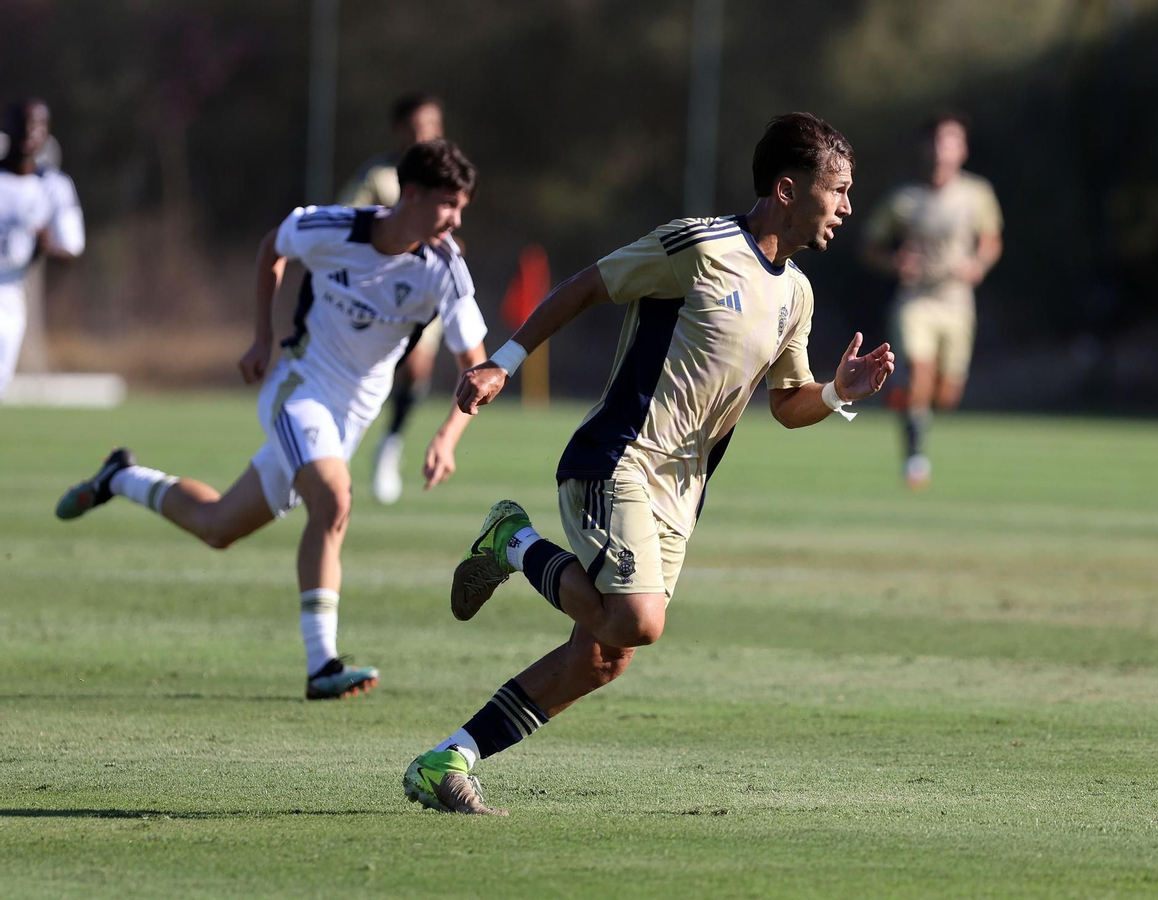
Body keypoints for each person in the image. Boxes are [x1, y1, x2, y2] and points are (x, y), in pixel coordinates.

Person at [400, 113, 895, 816]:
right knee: (638, 621)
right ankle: (511, 539)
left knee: (603, 656)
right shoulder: (699, 244)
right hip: (615, 462)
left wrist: (840, 392)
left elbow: (788, 403)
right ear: (788, 188)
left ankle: (448, 759)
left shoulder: (797, 293)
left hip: (679, 495)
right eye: (838, 190)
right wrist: (502, 364)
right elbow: (585, 285)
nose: (847, 206)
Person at [54, 140, 490, 699]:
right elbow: (272, 249)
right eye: (448, 205)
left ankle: (118, 476)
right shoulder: (333, 228)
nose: (455, 221)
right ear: (410, 194)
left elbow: (476, 368)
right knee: (333, 498)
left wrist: (448, 436)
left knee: (218, 526)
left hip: (348, 420)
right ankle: (322, 665)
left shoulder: (445, 269)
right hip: (297, 388)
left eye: (462, 209)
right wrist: (262, 336)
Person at [860, 112, 1002, 491]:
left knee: (947, 395)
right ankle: (915, 458)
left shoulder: (977, 194)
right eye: (938, 140)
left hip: (956, 303)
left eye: (952, 140)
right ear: (926, 147)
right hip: (916, 300)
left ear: (963, 148)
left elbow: (991, 241)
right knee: (918, 373)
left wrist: (978, 264)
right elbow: (870, 246)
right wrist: (894, 262)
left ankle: (903, 402)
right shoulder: (904, 199)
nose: (943, 149)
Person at [337, 93, 448, 505]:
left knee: (418, 369)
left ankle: (391, 445)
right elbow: (347, 216)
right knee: (367, 376)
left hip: (424, 292)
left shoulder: (446, 175)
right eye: (416, 127)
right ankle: (339, 449)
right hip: (376, 296)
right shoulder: (378, 174)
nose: (424, 136)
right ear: (399, 131)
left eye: (432, 127)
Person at [0, 99, 84, 397]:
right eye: (22, 122)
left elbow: (71, 250)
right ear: (6, 127)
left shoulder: (53, 186)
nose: (28, 131)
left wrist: (46, 246)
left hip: (10, 296)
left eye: (37, 124)